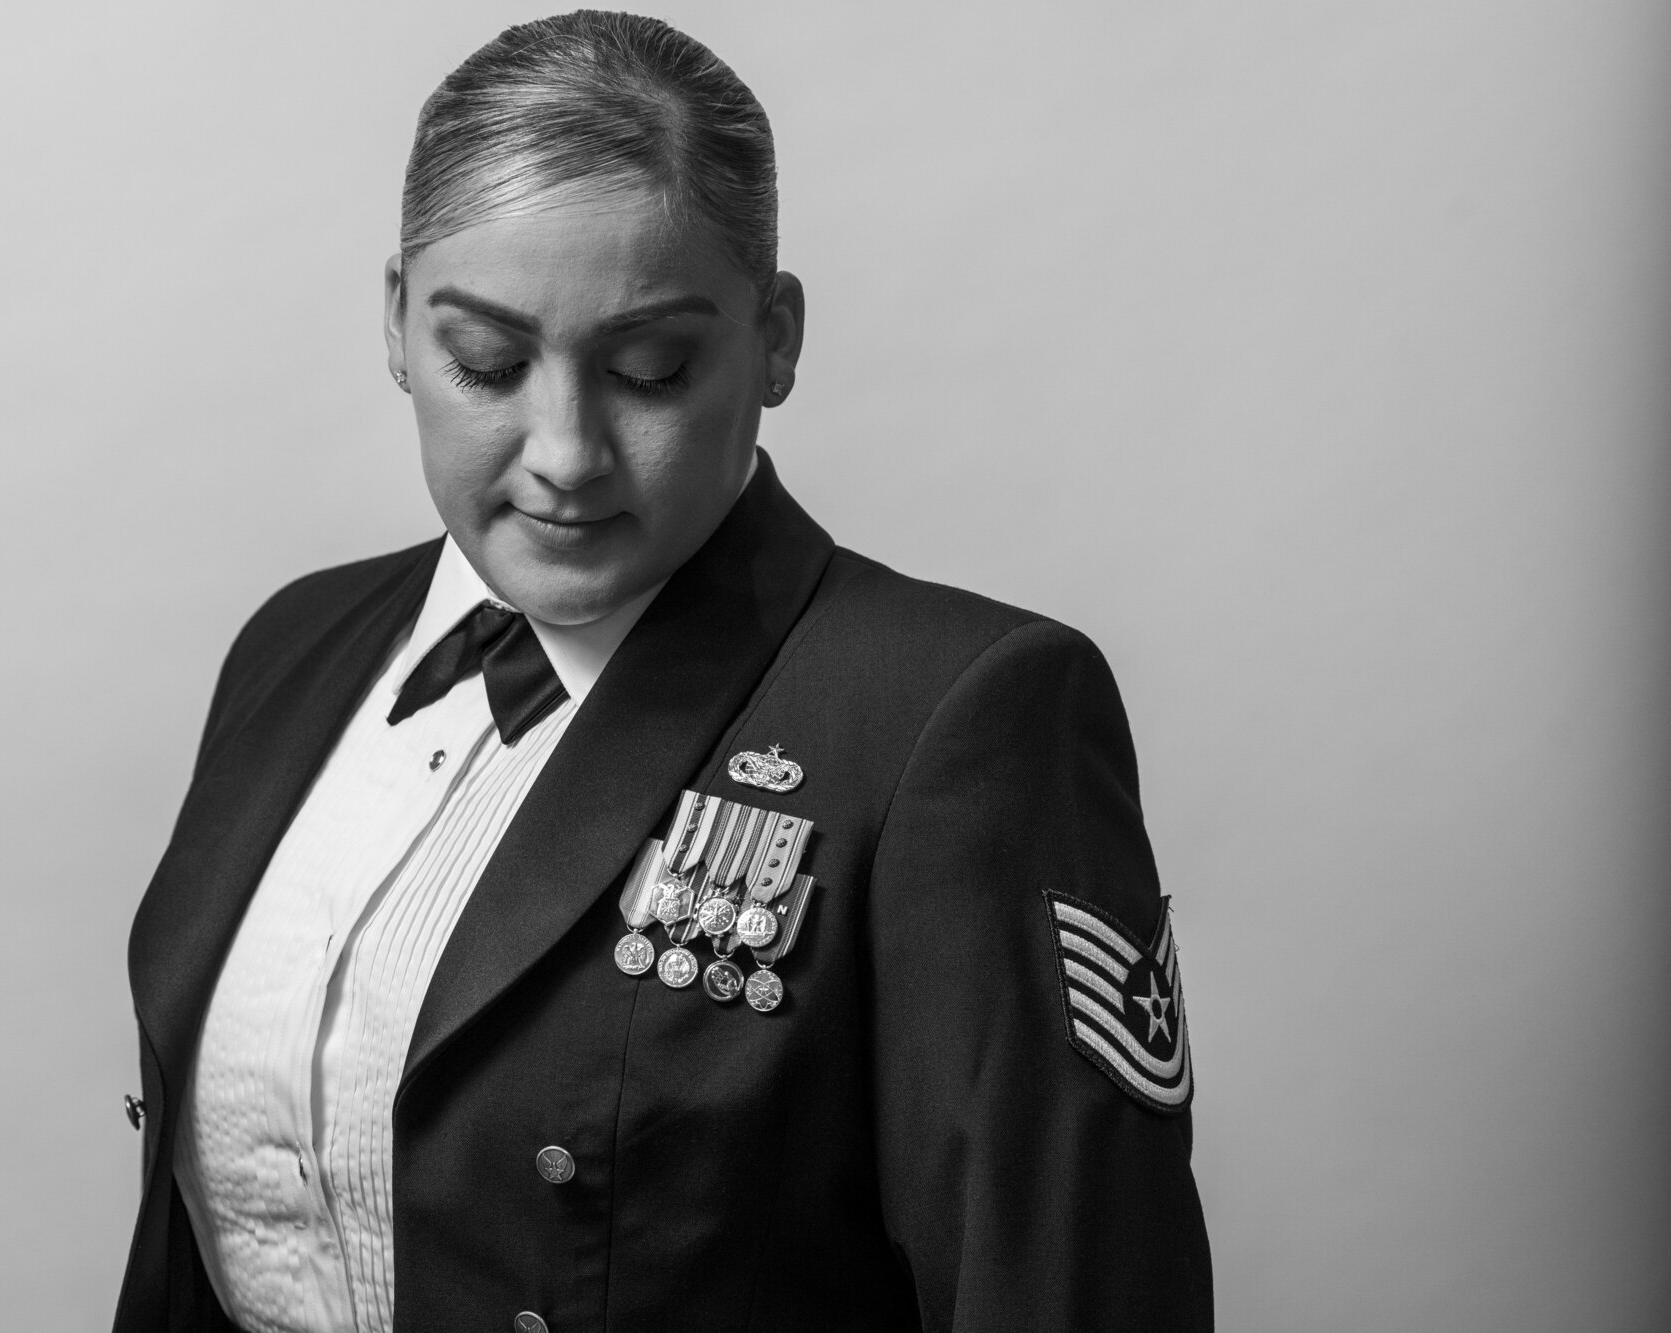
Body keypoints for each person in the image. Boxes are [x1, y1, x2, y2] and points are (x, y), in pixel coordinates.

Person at [114, 11, 1211, 1332]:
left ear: (778, 338)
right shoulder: (295, 645)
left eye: (650, 367)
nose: (565, 451)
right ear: (399, 324)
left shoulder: (955, 715)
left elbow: (1067, 1290)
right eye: (489, 363)